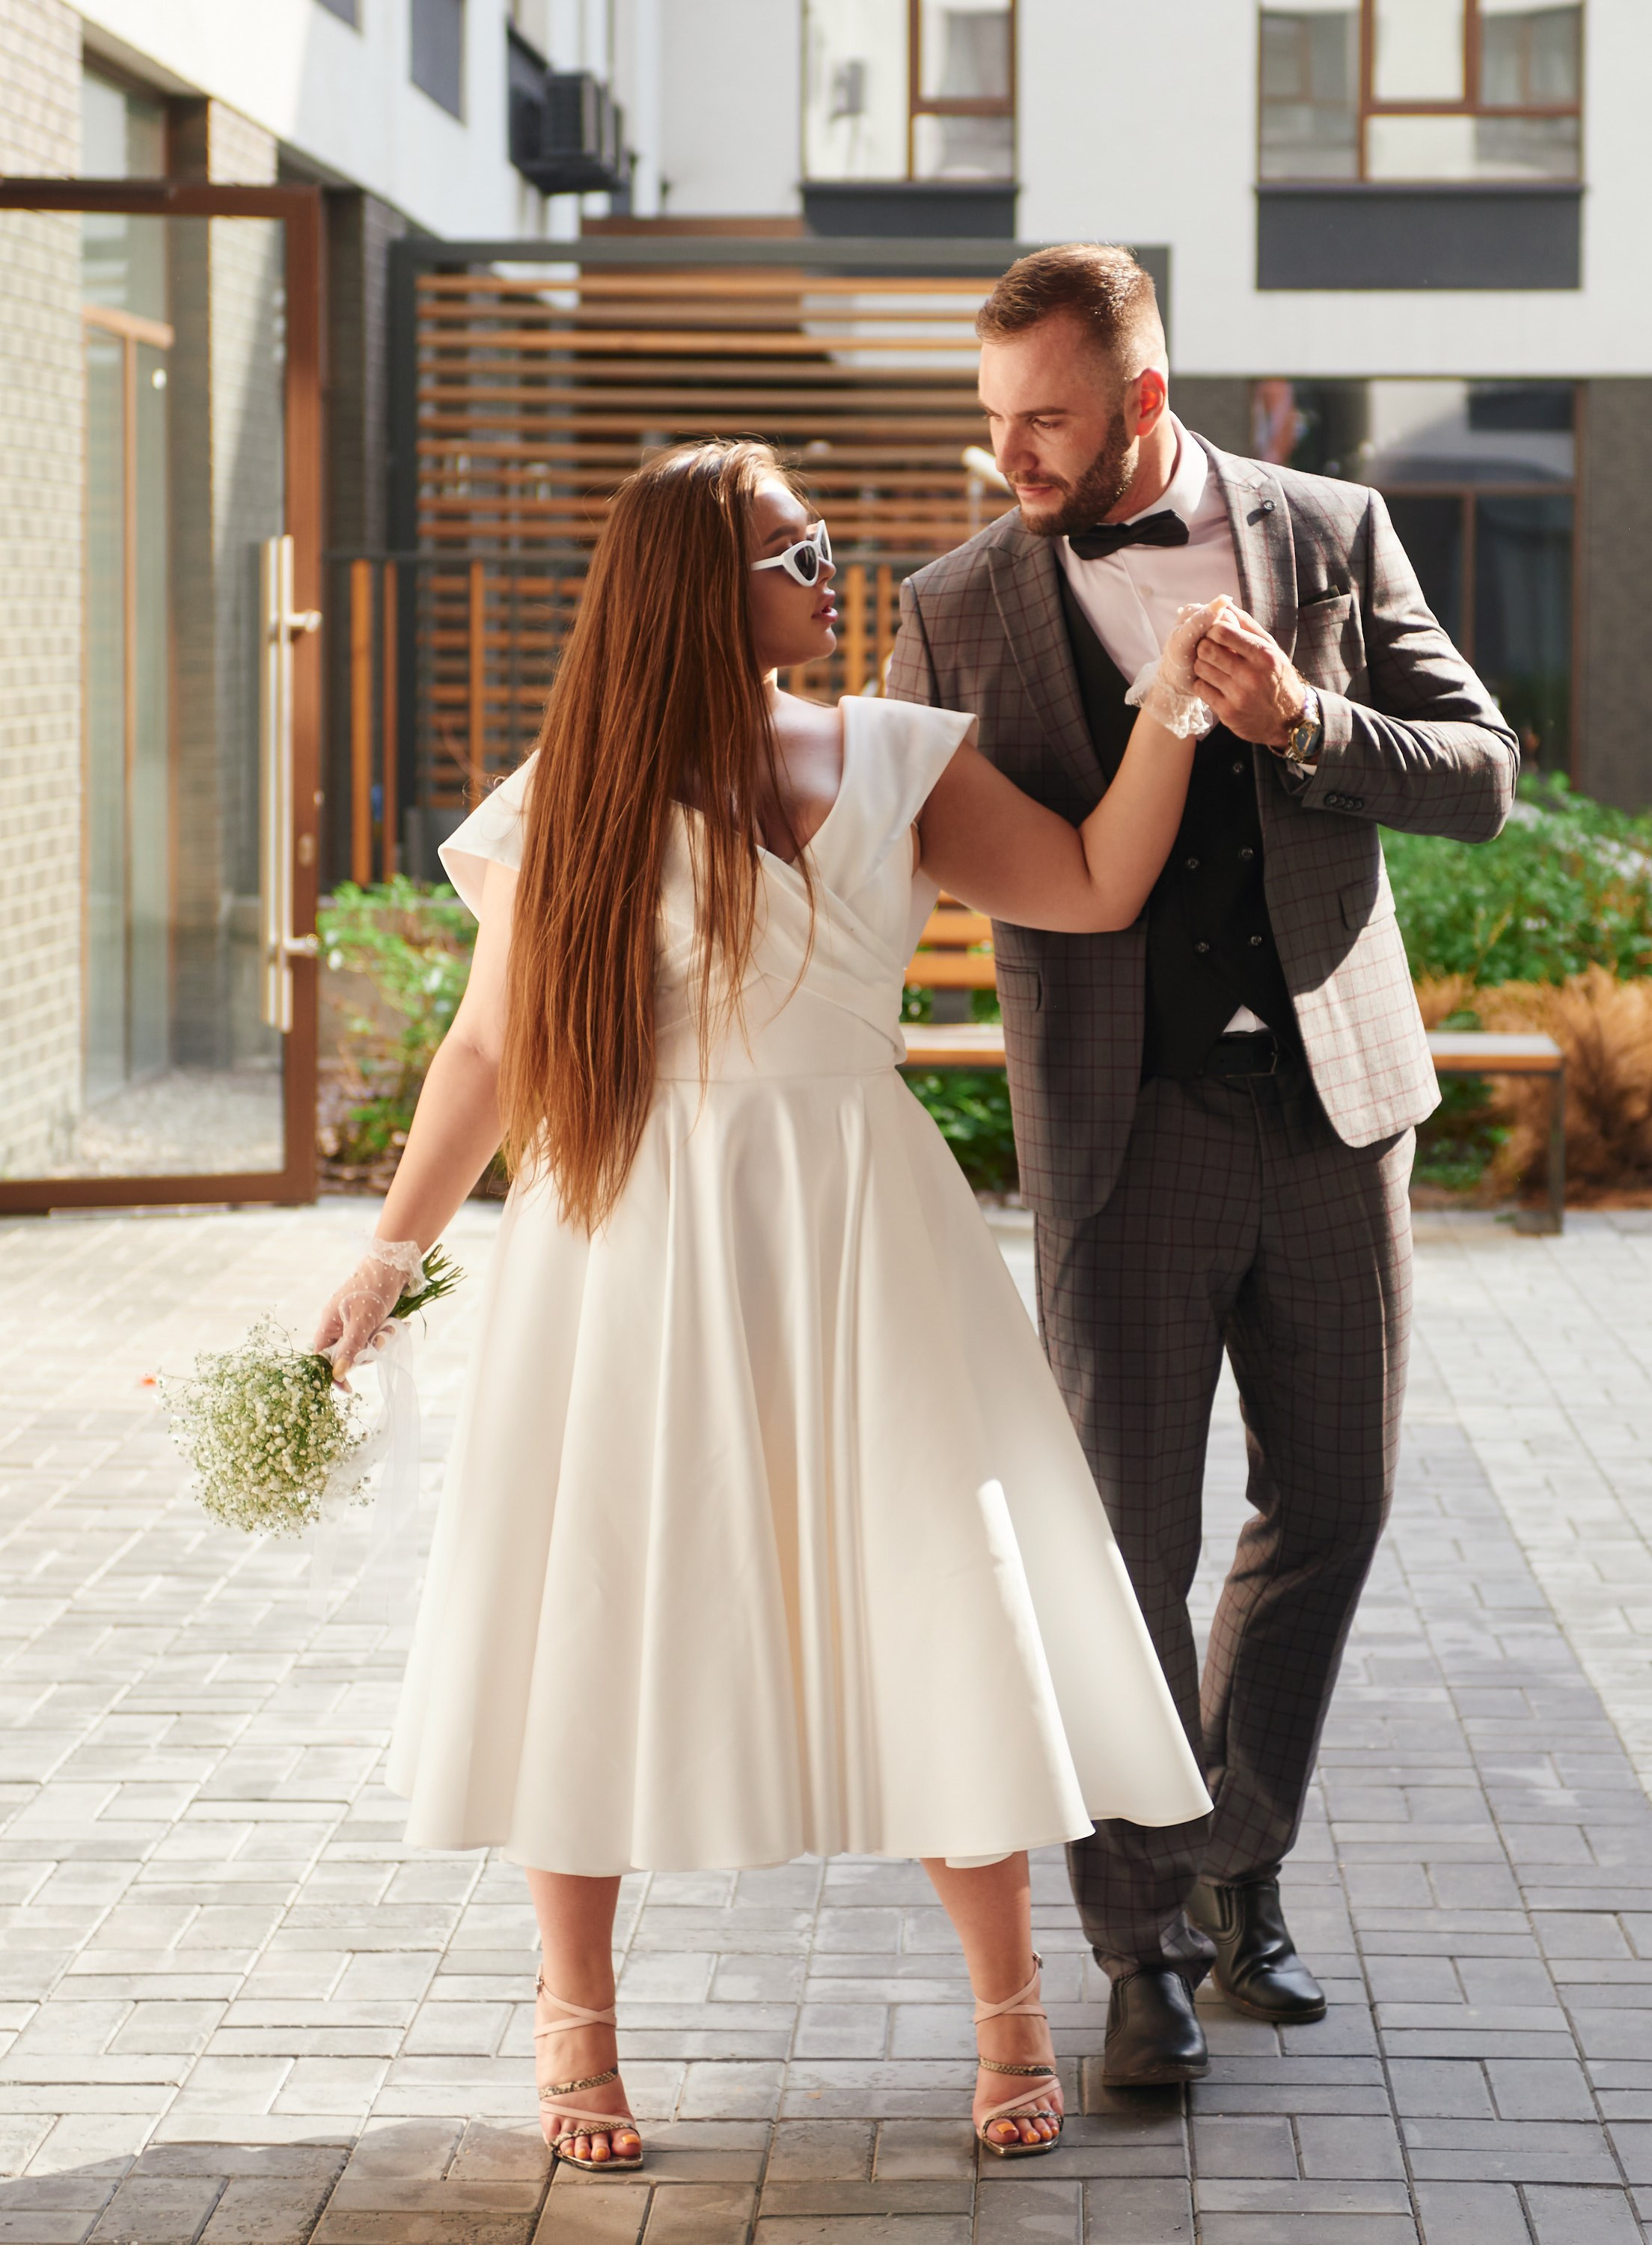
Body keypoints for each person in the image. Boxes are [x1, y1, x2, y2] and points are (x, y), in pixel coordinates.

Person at [311, 439, 1217, 2175]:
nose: (832, 577)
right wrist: (384, 1256)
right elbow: (493, 1051)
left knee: (942, 1596)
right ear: (696, 593)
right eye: (800, 554)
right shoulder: (561, 798)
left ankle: (1011, 2010)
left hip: (866, 1231)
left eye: (823, 547)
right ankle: (575, 2028)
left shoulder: (897, 755)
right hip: (632, 1245)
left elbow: (1098, 885)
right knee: (595, 1605)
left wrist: (1173, 697)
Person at [887, 245, 1518, 2088]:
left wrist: (1304, 727)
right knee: (1120, 1546)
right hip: (1124, 1127)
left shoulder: (1329, 533)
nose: (1012, 452)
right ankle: (1141, 1944)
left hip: (1334, 1110)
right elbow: (887, 839)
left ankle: (1239, 1860)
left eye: (1048, 419)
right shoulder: (956, 605)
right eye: (993, 419)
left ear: (1145, 400)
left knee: (1332, 1503)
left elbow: (1481, 772)